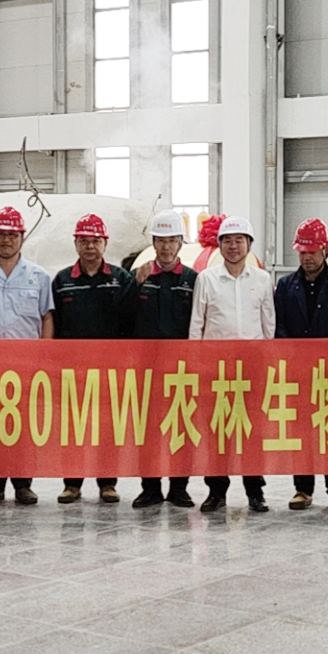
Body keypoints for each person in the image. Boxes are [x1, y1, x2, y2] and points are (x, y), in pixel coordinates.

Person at [0, 206, 54, 506]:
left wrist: (44, 357)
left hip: (26, 365)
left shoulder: (39, 276)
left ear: (22, 238)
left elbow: (46, 317)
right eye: (1, 234)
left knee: (23, 427)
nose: (6, 240)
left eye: (12, 235)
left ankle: (23, 484)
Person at [190, 215, 276, 512]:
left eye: (240, 240)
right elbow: (197, 324)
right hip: (215, 370)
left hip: (251, 369)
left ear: (249, 244)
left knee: (252, 430)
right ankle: (216, 492)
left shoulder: (262, 280)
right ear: (219, 246)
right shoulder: (206, 279)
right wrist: (197, 364)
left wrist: (267, 364)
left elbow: (268, 325)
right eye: (227, 240)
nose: (233, 246)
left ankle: (255, 491)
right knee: (217, 431)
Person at [51, 213, 133, 504]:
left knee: (108, 427)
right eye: (84, 241)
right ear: (75, 244)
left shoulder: (121, 279)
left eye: (95, 241)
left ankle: (107, 483)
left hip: (111, 369)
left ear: (105, 244)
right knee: (74, 426)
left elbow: (131, 323)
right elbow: (54, 324)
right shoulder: (62, 281)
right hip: (73, 369)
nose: (89, 247)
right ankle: (72, 484)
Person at [274, 218, 328, 512]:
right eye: (303, 252)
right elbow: (279, 324)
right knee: (302, 428)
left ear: (325, 250)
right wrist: (295, 353)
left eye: (313, 251)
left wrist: (325, 353)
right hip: (298, 371)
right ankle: (303, 488)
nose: (307, 257)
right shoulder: (285, 286)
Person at [125, 210, 200, 509]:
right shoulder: (140, 275)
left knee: (182, 426)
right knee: (148, 430)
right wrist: (135, 284)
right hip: (147, 368)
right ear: (153, 243)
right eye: (160, 241)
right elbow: (125, 317)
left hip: (182, 369)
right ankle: (150, 488)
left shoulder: (192, 279)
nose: (166, 247)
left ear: (180, 243)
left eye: (172, 241)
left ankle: (179, 488)